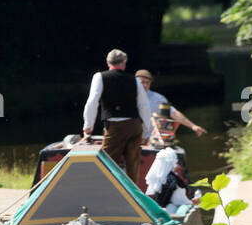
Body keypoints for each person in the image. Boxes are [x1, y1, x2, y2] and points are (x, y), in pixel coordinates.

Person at [82, 49, 152, 183]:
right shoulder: (135, 80)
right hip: (134, 126)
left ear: (108, 62)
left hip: (115, 127)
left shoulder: (100, 77)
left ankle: (105, 195)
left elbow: (92, 102)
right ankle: (134, 197)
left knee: (107, 165)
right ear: (124, 63)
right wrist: (145, 131)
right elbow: (144, 106)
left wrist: (88, 127)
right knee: (133, 167)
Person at [135, 69, 207, 139]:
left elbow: (174, 113)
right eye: (142, 82)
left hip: (148, 140)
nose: (145, 85)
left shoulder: (158, 99)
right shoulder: (126, 96)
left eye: (147, 82)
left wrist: (193, 126)